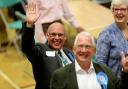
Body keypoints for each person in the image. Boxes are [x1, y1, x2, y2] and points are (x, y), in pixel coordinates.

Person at [21, 3, 75, 89]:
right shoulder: (41, 51)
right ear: (47, 35)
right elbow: (27, 48)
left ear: (65, 38)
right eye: (53, 34)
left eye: (60, 35)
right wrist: (30, 25)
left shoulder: (68, 52)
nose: (56, 38)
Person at [50, 31, 128, 89]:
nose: (83, 50)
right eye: (80, 46)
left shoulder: (105, 70)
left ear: (94, 51)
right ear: (74, 49)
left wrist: (125, 71)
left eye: (87, 46)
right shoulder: (60, 75)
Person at [96, 0, 128, 78]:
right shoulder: (106, 34)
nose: (119, 12)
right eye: (116, 9)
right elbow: (100, 64)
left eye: (122, 9)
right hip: (116, 83)